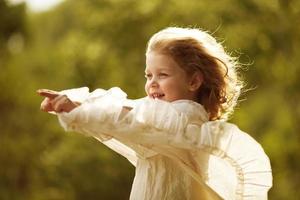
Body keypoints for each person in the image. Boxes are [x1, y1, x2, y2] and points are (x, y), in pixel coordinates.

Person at [38, 27, 272, 200]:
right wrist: (75, 104)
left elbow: (131, 117)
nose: (152, 83)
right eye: (148, 75)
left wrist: (78, 108)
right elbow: (121, 121)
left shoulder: (185, 120)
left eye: (163, 75)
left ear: (193, 81)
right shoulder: (158, 119)